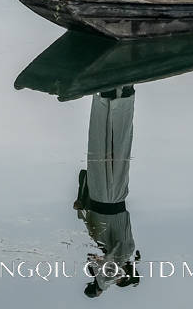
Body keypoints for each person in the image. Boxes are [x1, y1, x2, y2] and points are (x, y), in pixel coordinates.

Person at [74, 86, 140, 296]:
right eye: (119, 276)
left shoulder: (106, 249)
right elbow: (109, 273)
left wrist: (80, 206)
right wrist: (100, 287)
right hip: (111, 198)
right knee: (118, 147)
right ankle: (124, 98)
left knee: (97, 144)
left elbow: (88, 220)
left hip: (97, 196)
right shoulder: (124, 252)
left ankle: (106, 97)